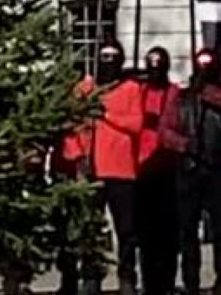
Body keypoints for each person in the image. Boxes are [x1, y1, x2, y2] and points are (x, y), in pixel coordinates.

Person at [59, 44, 144, 295]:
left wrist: (106, 114)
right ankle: (90, 276)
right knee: (89, 228)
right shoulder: (84, 90)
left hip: (122, 169)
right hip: (91, 167)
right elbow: (70, 126)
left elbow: (136, 124)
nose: (108, 62)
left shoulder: (131, 89)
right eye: (103, 57)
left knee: (126, 229)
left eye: (112, 57)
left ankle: (127, 276)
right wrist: (76, 156)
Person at [161, 48, 221, 295]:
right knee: (188, 231)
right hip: (189, 168)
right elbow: (164, 131)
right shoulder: (180, 98)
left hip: (219, 168)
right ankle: (191, 281)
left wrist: (207, 91)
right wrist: (184, 144)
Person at [137, 47, 180, 295]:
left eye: (159, 66)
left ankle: (167, 281)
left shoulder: (174, 92)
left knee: (168, 232)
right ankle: (149, 282)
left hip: (167, 168)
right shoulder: (139, 91)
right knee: (145, 234)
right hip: (141, 169)